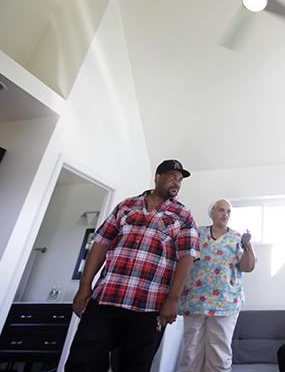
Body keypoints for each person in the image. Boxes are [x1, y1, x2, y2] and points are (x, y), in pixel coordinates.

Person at [65, 159, 200, 372]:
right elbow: (100, 244)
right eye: (173, 176)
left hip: (149, 306)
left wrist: (173, 299)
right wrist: (84, 286)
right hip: (106, 298)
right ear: (158, 176)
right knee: (82, 362)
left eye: (180, 179)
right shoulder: (126, 206)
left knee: (134, 366)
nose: (177, 182)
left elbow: (187, 257)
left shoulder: (183, 215)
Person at [177, 198, 256, 372]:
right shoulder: (197, 233)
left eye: (228, 211)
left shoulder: (237, 238)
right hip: (195, 300)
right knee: (191, 350)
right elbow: (185, 261)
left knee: (219, 352)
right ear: (212, 212)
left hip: (225, 301)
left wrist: (248, 244)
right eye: (221, 210)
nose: (225, 214)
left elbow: (247, 267)